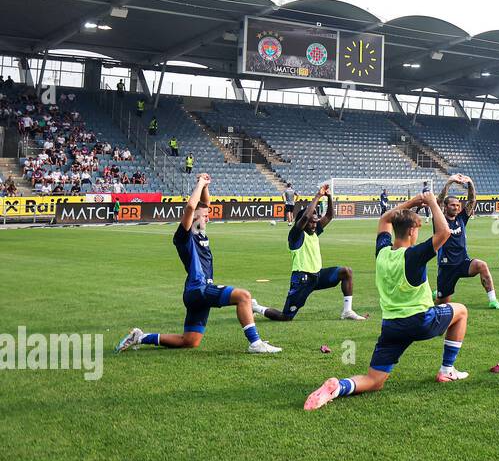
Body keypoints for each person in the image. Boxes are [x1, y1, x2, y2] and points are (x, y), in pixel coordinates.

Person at [303, 190, 468, 410]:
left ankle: (338, 387)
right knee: (461, 311)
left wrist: (411, 203)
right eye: (417, 230)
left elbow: (384, 219)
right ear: (411, 231)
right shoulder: (413, 255)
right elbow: (445, 232)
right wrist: (430, 202)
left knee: (374, 380)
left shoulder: (382, 252)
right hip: (420, 321)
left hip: (392, 326)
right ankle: (447, 370)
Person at [116, 174, 280, 354]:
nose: (208, 219)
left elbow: (204, 204)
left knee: (190, 341)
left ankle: (140, 337)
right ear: (194, 218)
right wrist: (199, 184)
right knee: (243, 296)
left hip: (196, 293)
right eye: (205, 216)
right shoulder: (184, 237)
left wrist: (205, 185)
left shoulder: (200, 233)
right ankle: (255, 343)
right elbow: (190, 207)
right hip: (199, 289)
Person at [252, 184, 364, 322]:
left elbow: (329, 216)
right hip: (302, 280)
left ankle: (347, 311)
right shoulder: (296, 235)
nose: (314, 225)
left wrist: (328, 197)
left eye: (316, 222)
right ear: (303, 223)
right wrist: (318, 195)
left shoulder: (314, 232)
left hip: (317, 276)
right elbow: (305, 218)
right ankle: (255, 307)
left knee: (346, 272)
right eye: (312, 222)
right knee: (286, 317)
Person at [436, 173, 499, 310]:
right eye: (452, 205)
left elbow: (472, 201)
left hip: (462, 262)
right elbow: (438, 202)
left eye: (457, 205)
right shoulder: (440, 220)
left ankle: (493, 301)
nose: (456, 207)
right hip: (447, 267)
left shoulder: (461, 219)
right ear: (446, 207)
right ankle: (437, 294)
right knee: (441, 305)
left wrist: (470, 183)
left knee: (481, 265)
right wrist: (449, 183)